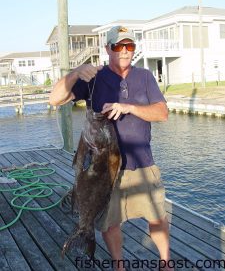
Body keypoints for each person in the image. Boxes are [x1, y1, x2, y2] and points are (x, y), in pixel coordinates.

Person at [49, 26, 173, 271]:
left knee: (157, 217)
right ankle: (119, 266)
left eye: (130, 46)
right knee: (109, 223)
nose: (125, 51)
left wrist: (129, 108)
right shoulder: (94, 77)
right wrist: (74, 73)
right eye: (118, 46)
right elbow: (55, 99)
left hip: (142, 163)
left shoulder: (145, 77)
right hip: (101, 169)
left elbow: (162, 113)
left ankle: (165, 263)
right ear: (107, 48)